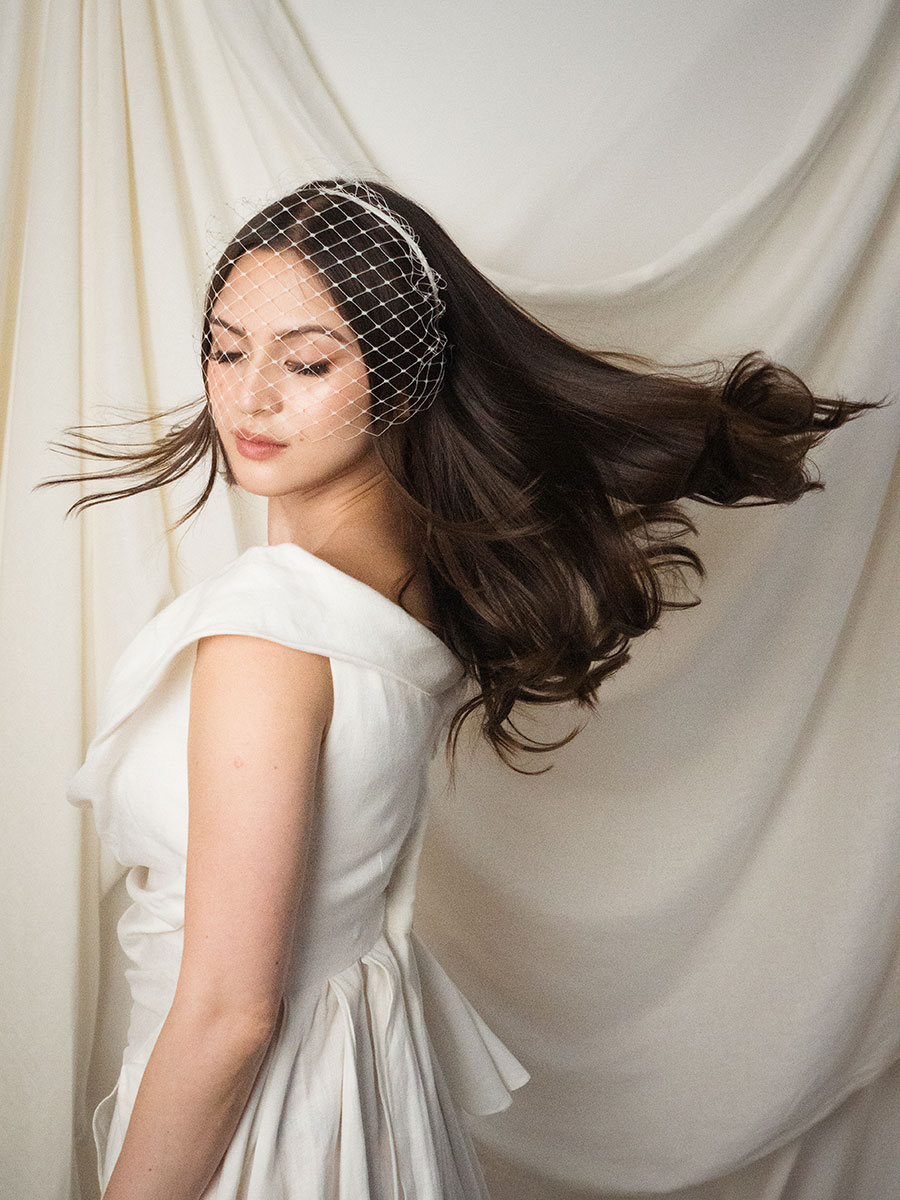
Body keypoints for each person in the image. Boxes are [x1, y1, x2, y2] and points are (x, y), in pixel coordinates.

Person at [40, 178, 882, 1200]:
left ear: (405, 380)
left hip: (259, 1135)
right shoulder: (403, 591)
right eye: (226, 349)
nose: (249, 396)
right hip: (356, 1101)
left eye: (306, 362)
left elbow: (230, 1017)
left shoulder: (271, 632)